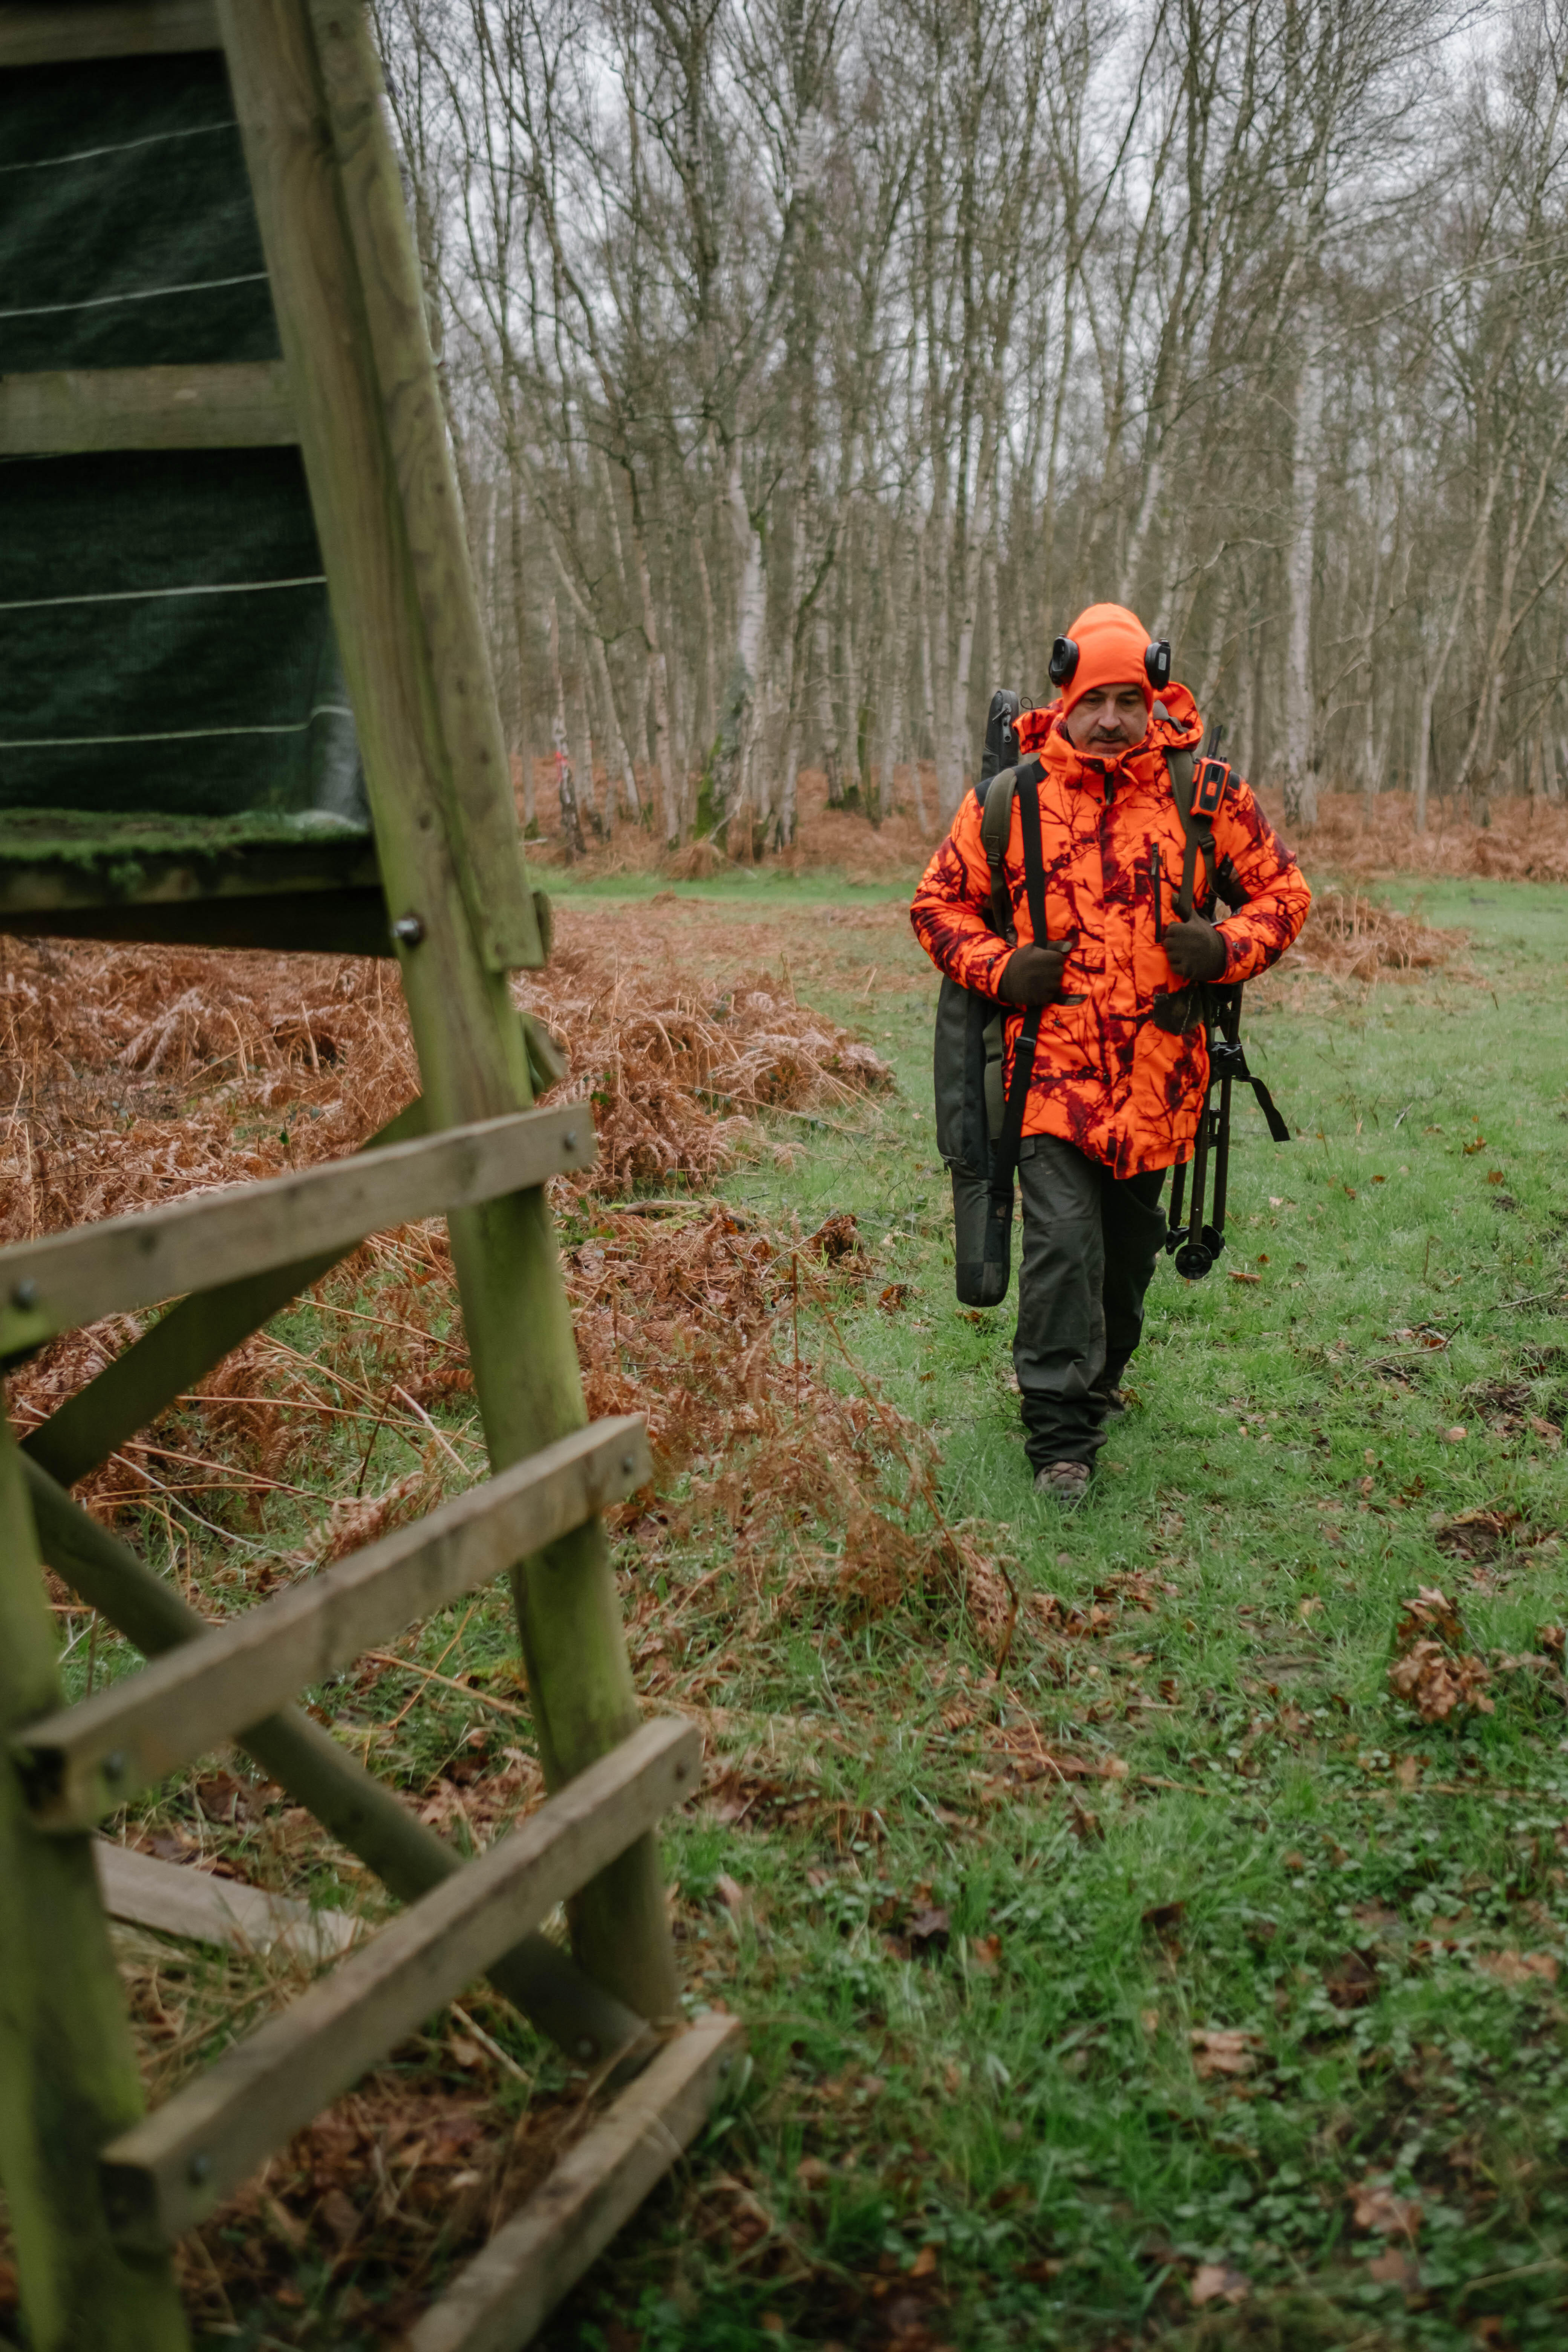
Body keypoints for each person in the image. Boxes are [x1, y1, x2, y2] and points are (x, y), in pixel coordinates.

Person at [910, 602, 1311, 1502]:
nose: (1110, 719)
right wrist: (1003, 969)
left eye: (1128, 700)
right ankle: (1060, 1440)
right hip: (1046, 1076)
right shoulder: (1010, 800)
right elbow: (936, 906)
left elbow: (1284, 895)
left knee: (1126, 1260)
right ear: (1065, 697)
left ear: (1153, 697)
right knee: (1060, 1246)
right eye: (1094, 700)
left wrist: (1223, 947)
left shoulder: (1205, 795)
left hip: (1161, 1082)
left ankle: (1099, 1376)